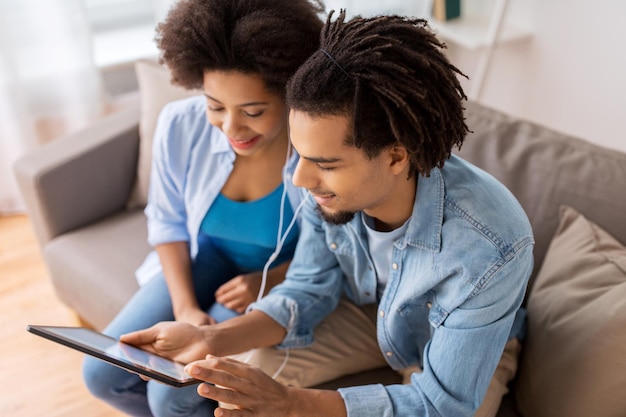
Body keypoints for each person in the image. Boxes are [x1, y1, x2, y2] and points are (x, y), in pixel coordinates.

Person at [121, 10, 535, 417]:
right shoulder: (329, 193)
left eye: (325, 163)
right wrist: (209, 337)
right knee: (237, 387)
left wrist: (291, 405)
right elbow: (307, 286)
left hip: (451, 336)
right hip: (363, 311)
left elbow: (441, 404)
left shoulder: (489, 246)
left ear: (395, 157)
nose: (299, 179)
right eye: (300, 155)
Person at [82, 1, 324, 416]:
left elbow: (336, 251)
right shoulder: (179, 125)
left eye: (253, 111)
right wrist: (185, 308)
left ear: (289, 91)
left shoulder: (319, 148)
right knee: (100, 373)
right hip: (204, 262)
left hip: (272, 282)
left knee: (171, 395)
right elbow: (167, 221)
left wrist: (268, 280)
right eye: (215, 106)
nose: (231, 128)